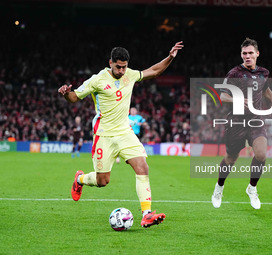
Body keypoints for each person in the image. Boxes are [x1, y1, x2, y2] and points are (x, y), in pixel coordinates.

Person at [58, 41, 183, 227]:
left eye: (124, 67)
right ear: (110, 62)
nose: (122, 71)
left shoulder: (130, 74)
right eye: (118, 67)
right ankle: (80, 179)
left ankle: (146, 214)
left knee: (143, 167)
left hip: (125, 132)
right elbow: (75, 97)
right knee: (102, 181)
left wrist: (170, 57)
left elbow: (155, 71)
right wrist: (66, 93)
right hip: (104, 135)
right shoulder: (97, 79)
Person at [211, 38, 272, 209]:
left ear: (257, 53)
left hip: (256, 121)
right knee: (231, 158)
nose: (247, 56)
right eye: (244, 53)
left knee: (261, 155)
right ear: (241, 55)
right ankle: (219, 187)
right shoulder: (234, 73)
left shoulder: (264, 72)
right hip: (236, 122)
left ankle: (252, 188)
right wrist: (237, 100)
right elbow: (223, 95)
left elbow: (266, 92)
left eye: (250, 53)